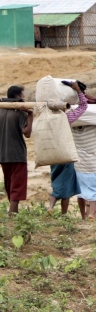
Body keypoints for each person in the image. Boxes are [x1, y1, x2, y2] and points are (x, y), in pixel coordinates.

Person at [0, 85, 34, 215]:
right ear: (18, 97)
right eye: (23, 96)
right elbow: (27, 133)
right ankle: (12, 214)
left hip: (3, 154)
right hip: (17, 154)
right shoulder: (19, 112)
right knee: (17, 186)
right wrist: (30, 116)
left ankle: (14, 212)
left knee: (9, 184)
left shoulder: (1, 111)